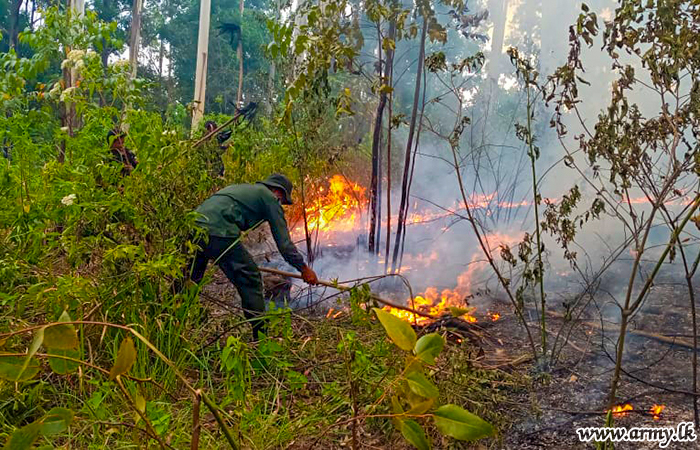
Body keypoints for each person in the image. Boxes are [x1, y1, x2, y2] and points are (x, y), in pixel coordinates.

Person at [186, 173, 318, 338]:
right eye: (283, 202)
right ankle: (261, 336)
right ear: (278, 193)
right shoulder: (270, 198)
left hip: (192, 226)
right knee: (251, 278)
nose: (281, 205)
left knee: (189, 280)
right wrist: (303, 268)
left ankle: (166, 321)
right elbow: (284, 244)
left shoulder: (244, 189)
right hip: (218, 231)